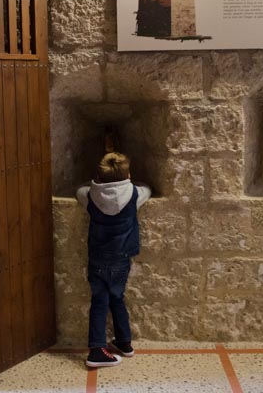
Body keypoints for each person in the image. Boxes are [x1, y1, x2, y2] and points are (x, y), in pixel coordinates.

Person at [76, 152, 151, 367]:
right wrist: (133, 181)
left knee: (99, 301)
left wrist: (94, 184)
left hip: (98, 258)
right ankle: (121, 343)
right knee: (117, 297)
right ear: (128, 173)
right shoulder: (135, 194)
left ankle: (101, 347)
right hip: (121, 258)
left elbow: (79, 189)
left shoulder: (89, 195)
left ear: (98, 176)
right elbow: (148, 188)